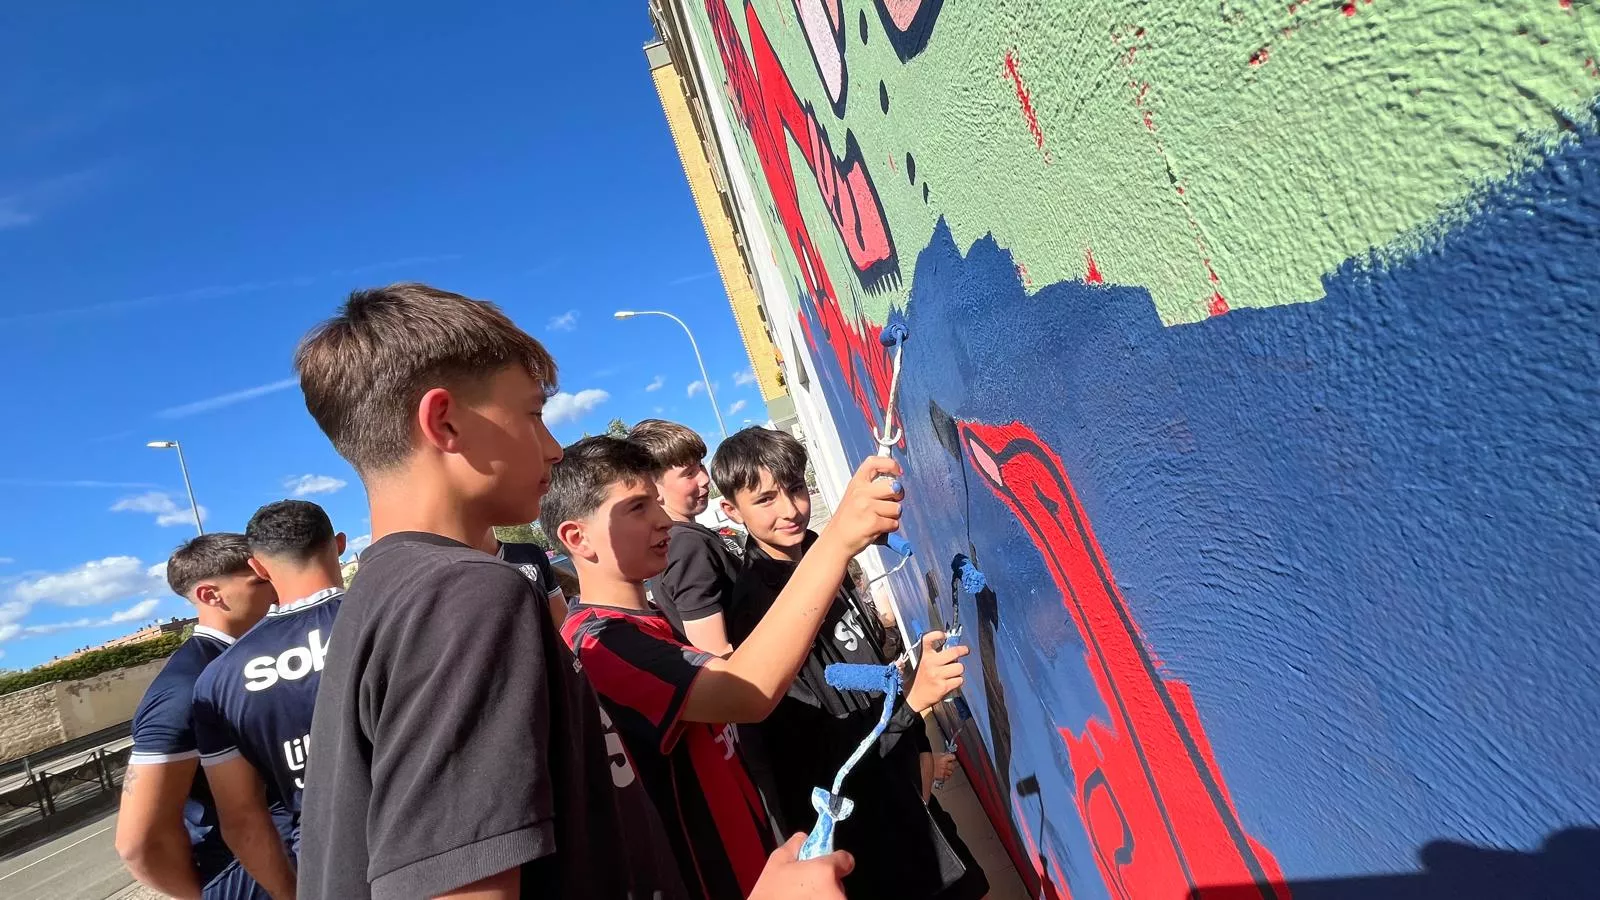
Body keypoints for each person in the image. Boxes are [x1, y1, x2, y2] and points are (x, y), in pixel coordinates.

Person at [292, 282, 851, 900]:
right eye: (533, 414)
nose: (553, 446)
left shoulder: (388, 592)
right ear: (444, 421)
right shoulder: (465, 596)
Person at [546, 435, 901, 900]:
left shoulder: (645, 627)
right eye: (637, 509)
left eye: (655, 501)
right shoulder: (598, 641)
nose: (661, 519)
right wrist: (836, 542)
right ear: (577, 538)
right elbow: (745, 693)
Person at [714, 426, 988, 899]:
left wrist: (915, 736)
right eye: (765, 499)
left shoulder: (822, 556)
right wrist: (915, 701)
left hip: (901, 785)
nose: (790, 509)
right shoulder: (760, 611)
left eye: (796, 488)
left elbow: (867, 674)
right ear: (730, 511)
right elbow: (819, 754)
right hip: (868, 828)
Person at [191, 500, 346, 900]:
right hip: (438, 848)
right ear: (340, 545)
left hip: (326, 868)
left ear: (259, 568)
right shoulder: (395, 617)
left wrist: (289, 893)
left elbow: (242, 819)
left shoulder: (217, 681)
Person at [117, 534, 279, 900]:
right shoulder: (185, 687)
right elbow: (138, 842)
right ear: (211, 596)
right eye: (260, 579)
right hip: (245, 873)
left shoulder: (251, 661)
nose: (277, 585)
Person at [628, 419, 742, 653]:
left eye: (700, 465)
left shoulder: (676, 540)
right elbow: (716, 653)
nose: (704, 478)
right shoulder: (685, 544)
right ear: (653, 488)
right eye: (689, 473)